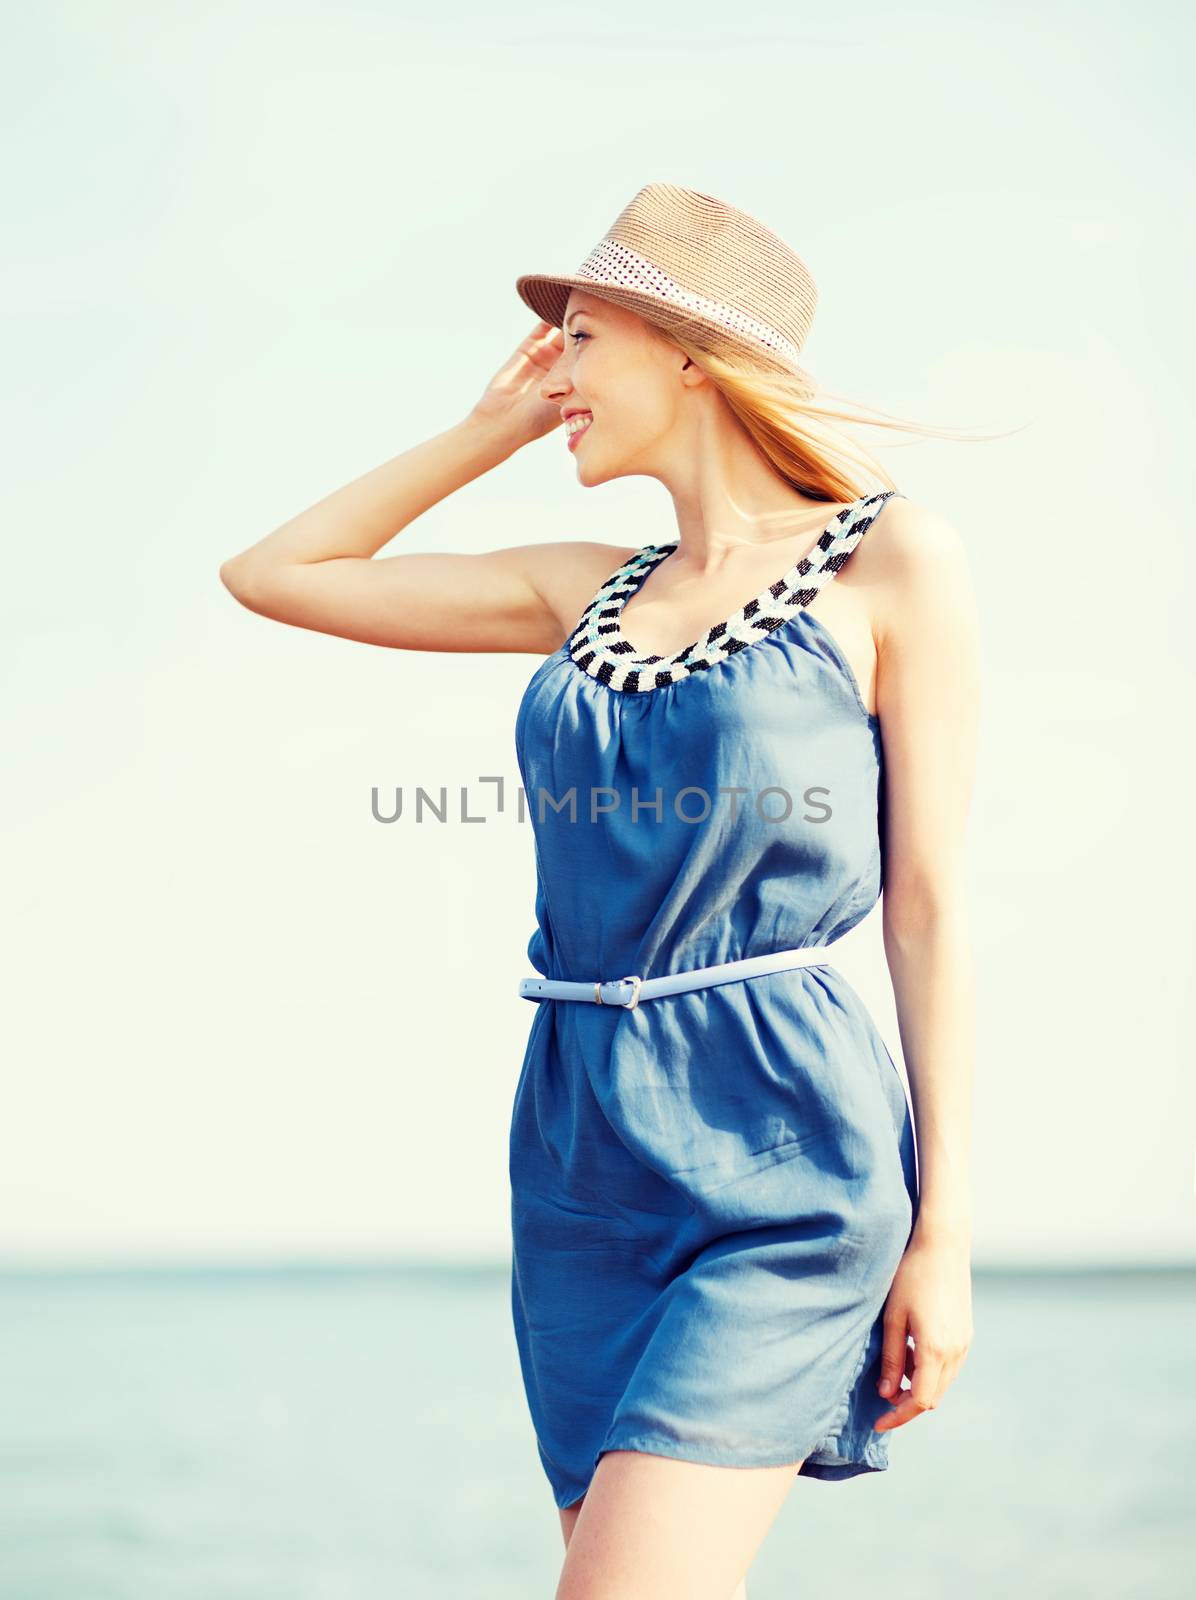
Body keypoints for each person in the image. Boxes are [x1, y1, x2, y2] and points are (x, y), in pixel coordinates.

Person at [220, 184, 980, 1600]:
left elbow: (928, 906)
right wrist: (489, 428)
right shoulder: (583, 592)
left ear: (693, 352)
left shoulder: (888, 564)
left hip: (784, 1145)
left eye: (578, 338)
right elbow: (274, 573)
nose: (554, 375)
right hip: (577, 1151)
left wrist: (944, 1232)